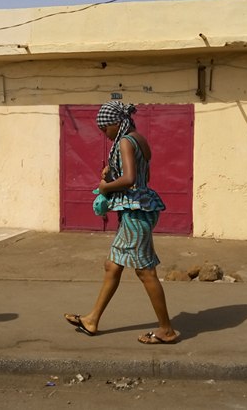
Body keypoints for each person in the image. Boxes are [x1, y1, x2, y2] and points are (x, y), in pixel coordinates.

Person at [64, 101, 179, 344]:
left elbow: (130, 178)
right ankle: (92, 319)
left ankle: (166, 330)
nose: (103, 133)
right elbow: (141, 174)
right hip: (138, 209)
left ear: (117, 123)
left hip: (135, 213)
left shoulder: (126, 141)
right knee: (112, 265)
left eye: (105, 129)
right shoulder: (138, 138)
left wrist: (105, 186)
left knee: (145, 271)